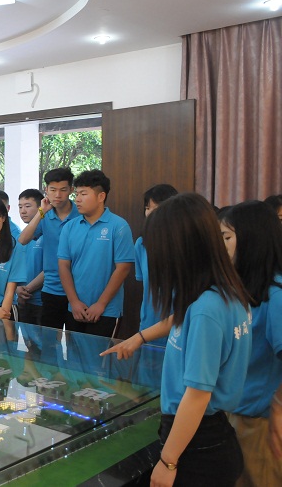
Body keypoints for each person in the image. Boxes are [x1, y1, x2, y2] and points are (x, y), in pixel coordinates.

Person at [102, 193, 251, 487]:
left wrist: (168, 462)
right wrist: (139, 337)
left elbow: (197, 396)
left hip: (198, 445)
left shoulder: (207, 309)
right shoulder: (218, 293)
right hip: (209, 435)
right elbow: (181, 317)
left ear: (181, 248)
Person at [218, 201, 282, 486]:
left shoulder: (275, 295)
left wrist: (278, 409)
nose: (220, 246)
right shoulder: (243, 287)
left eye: (226, 237)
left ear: (251, 240)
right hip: (235, 413)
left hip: (260, 422)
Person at [58, 170, 134, 337]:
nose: (77, 199)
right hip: (75, 309)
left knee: (100, 354)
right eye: (77, 194)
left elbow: (123, 268)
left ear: (101, 196)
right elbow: (63, 266)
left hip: (106, 311)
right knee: (72, 354)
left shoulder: (119, 226)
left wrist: (101, 304)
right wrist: (74, 302)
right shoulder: (69, 227)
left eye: (83, 194)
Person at [18, 168, 80, 329]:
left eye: (63, 190)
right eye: (53, 190)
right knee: (49, 340)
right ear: (46, 190)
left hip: (78, 289)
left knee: (75, 340)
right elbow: (23, 240)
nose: (57, 195)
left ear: (71, 190)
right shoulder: (45, 215)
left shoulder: (81, 215)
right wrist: (41, 212)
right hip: (51, 289)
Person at [134, 184, 178, 341]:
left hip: (177, 326)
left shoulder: (184, 244)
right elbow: (145, 287)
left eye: (156, 208)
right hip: (148, 325)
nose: (150, 213)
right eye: (147, 208)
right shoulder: (141, 244)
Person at [14, 189, 45, 325]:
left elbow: (52, 268)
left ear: (40, 208)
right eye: (20, 207)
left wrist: (27, 289)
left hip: (41, 301)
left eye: (27, 206)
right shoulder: (20, 237)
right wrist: (17, 289)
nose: (23, 211)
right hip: (21, 300)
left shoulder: (47, 234)